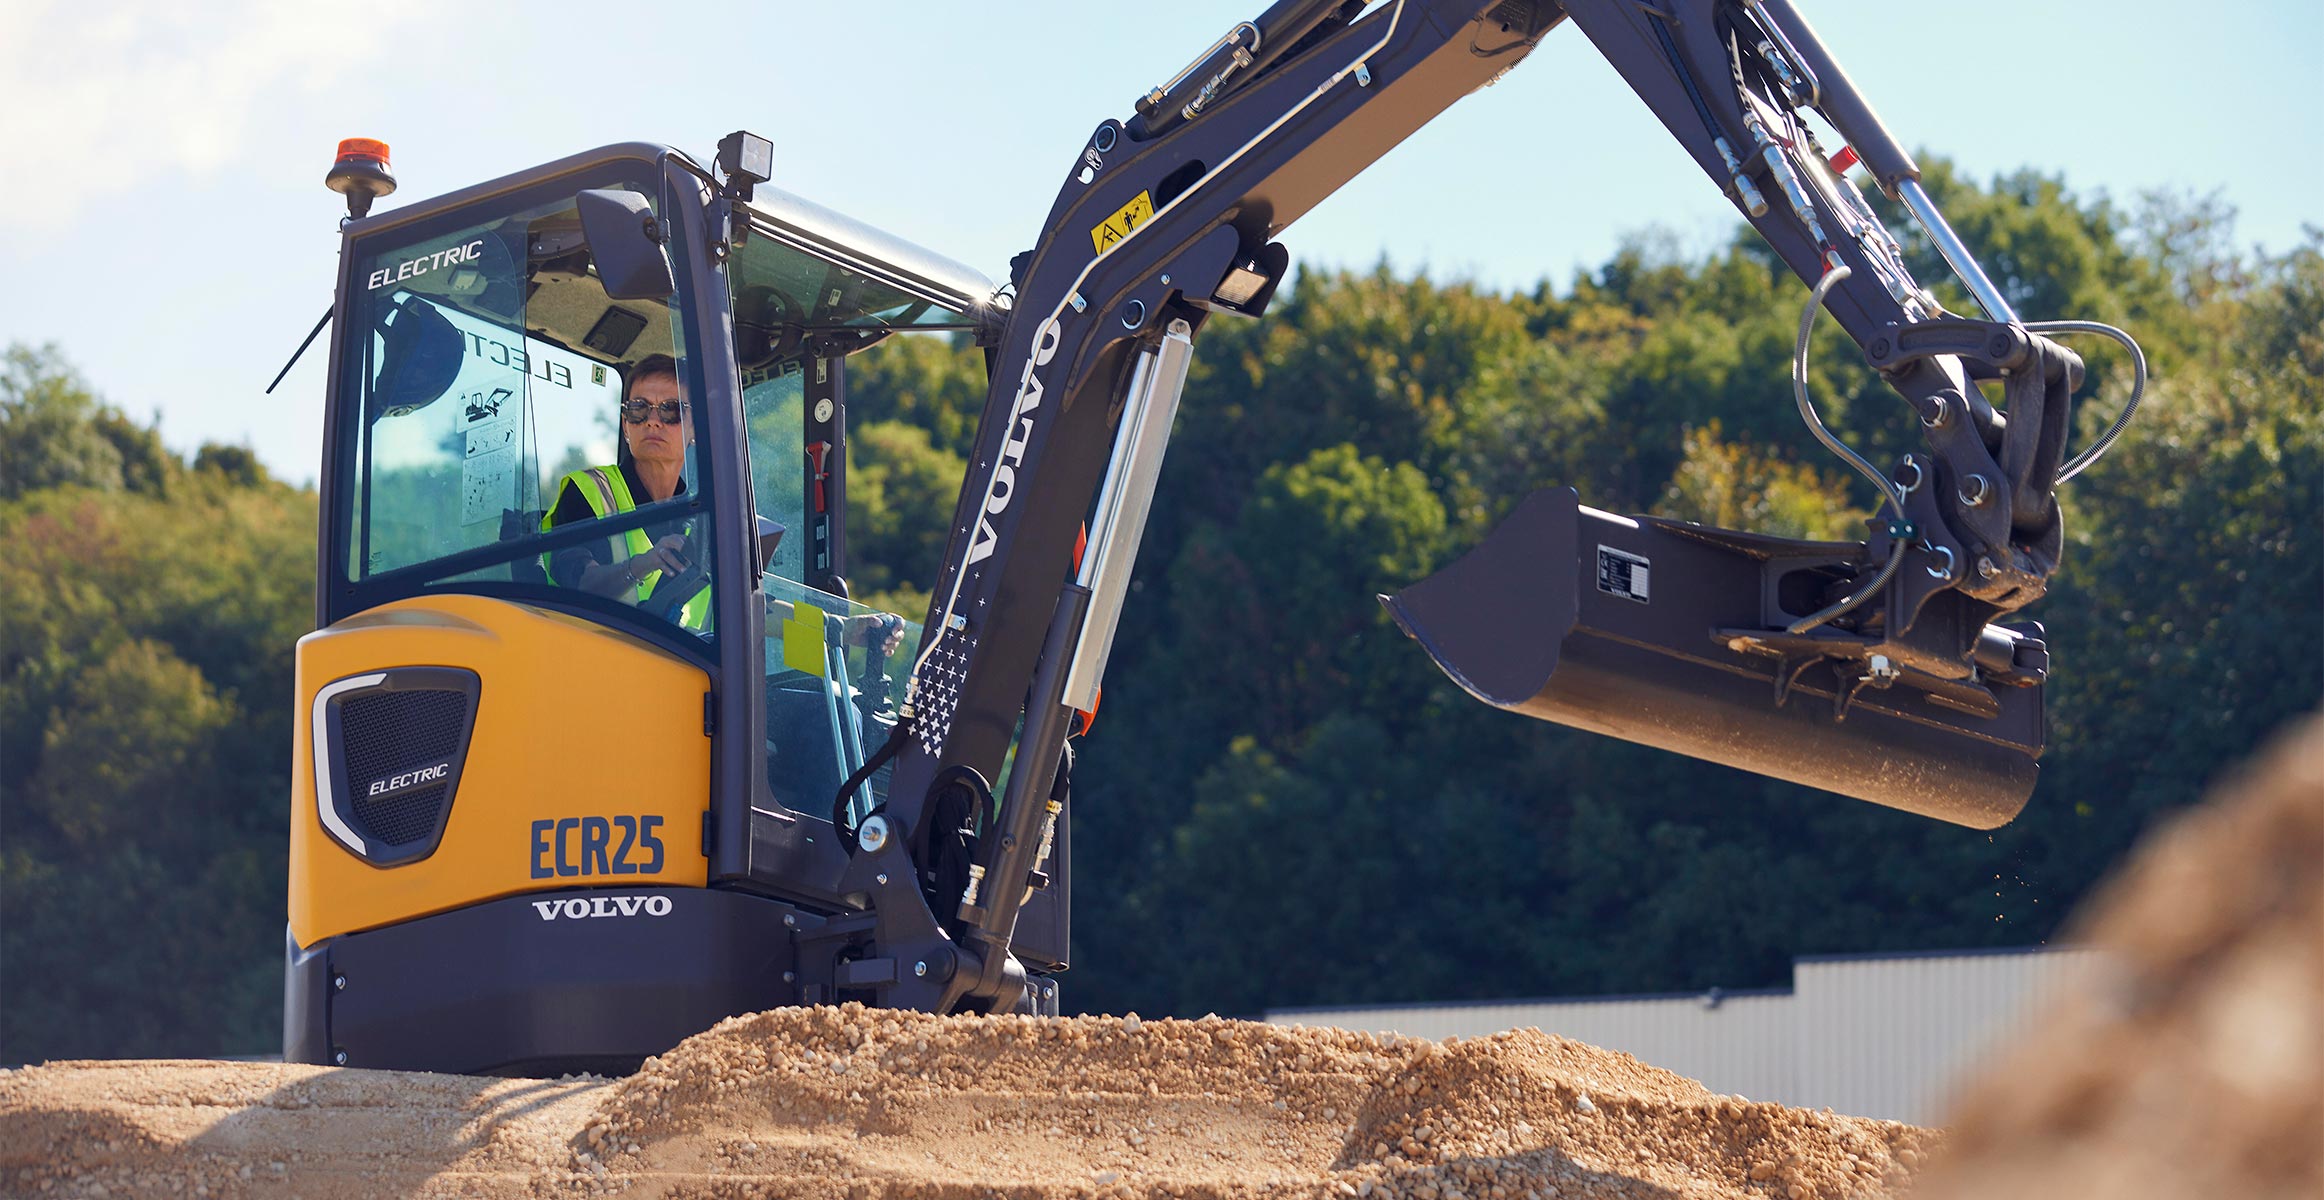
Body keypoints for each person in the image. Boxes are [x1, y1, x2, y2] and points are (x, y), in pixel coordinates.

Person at [541, 354, 711, 628]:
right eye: (639, 409)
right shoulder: (587, 491)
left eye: (670, 410)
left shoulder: (704, 517)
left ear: (696, 428)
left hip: (682, 655)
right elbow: (578, 587)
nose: (652, 421)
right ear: (625, 425)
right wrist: (643, 564)